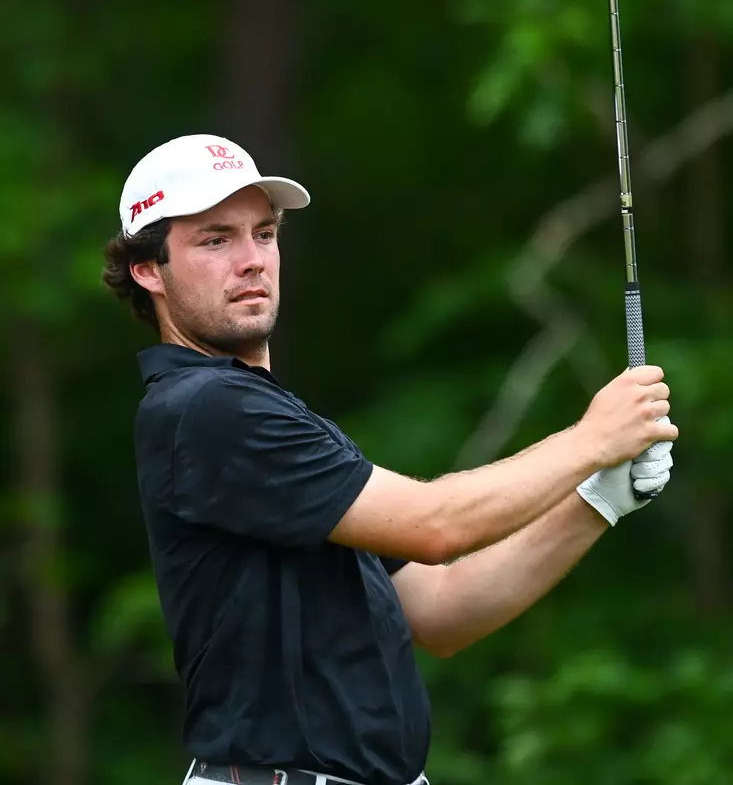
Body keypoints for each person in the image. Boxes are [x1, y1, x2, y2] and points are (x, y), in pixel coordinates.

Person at [103, 133, 677, 785]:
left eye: (263, 234)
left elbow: (441, 608)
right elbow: (436, 527)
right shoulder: (207, 410)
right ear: (149, 269)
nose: (252, 260)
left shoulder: (272, 419)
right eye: (215, 240)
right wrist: (590, 439)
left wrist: (597, 498)